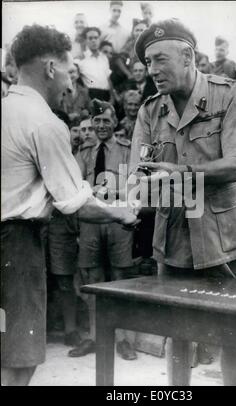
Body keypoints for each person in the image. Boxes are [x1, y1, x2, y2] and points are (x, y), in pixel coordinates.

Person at [1, 24, 139, 387]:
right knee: (19, 357)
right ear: (50, 68)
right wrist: (122, 212)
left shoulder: (5, 110)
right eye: (68, 71)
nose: (70, 84)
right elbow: (75, 203)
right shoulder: (45, 123)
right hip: (16, 248)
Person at [131, 19, 236, 386]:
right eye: (147, 63)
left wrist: (177, 173)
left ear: (188, 56)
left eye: (159, 59)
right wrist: (136, 191)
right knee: (177, 332)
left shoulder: (230, 94)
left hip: (223, 236)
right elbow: (137, 177)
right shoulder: (150, 110)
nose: (152, 71)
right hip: (172, 238)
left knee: (232, 333)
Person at [69, 100, 139, 360]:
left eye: (105, 121)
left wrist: (113, 192)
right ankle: (95, 337)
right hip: (90, 222)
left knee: (120, 277)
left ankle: (123, 340)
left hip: (118, 221)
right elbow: (74, 184)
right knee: (92, 280)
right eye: (96, 121)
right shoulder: (84, 152)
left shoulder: (126, 149)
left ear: (115, 122)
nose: (100, 126)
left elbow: (136, 186)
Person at [76, 27, 113, 101]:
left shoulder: (104, 58)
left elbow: (108, 79)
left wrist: (112, 97)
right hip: (91, 94)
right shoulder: (80, 59)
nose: (93, 40)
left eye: (96, 38)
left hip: (106, 94)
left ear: (99, 39)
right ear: (86, 40)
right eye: (90, 38)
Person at [112, 19, 148, 92]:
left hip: (149, 78)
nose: (139, 33)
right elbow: (118, 59)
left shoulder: (151, 44)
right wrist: (128, 74)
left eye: (142, 30)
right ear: (133, 32)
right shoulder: (130, 45)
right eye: (137, 30)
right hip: (133, 78)